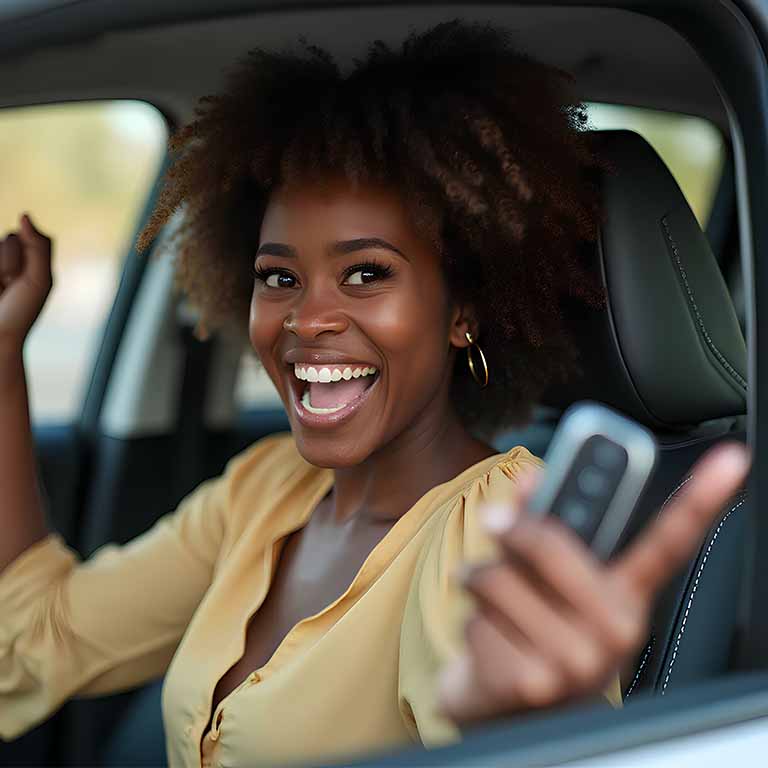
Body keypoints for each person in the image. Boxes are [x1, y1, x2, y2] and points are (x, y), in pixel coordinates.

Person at [0, 20, 750, 768]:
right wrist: (5, 355)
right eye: (278, 276)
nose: (308, 317)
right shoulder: (262, 492)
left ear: (462, 312)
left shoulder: (492, 527)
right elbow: (36, 641)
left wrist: (539, 728)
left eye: (366, 273)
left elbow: (515, 725)